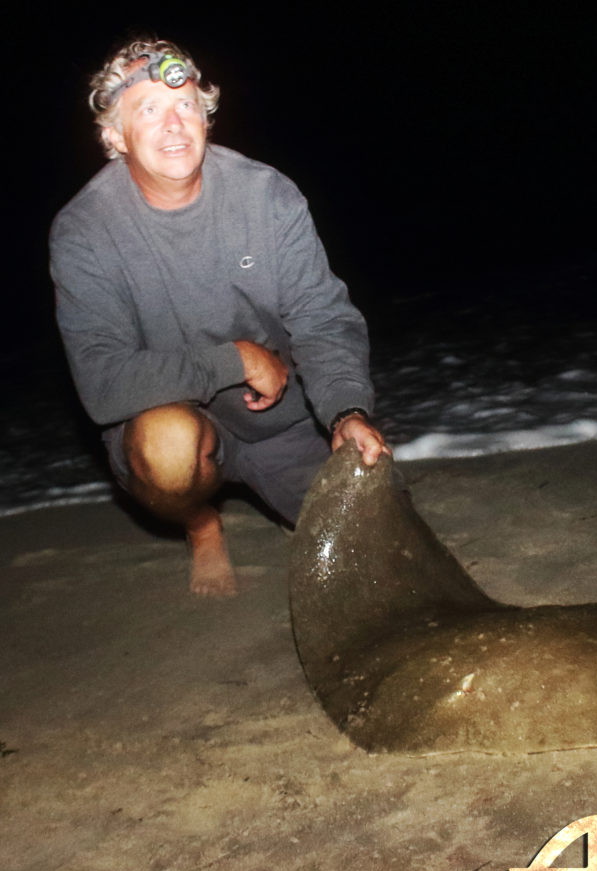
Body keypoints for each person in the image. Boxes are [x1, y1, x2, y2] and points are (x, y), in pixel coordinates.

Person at [49, 37, 390, 597]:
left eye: (185, 105)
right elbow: (103, 385)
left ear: (206, 117)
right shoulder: (84, 231)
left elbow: (321, 315)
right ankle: (201, 523)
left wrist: (345, 410)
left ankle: (291, 495)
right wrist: (234, 359)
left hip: (283, 420)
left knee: (379, 551)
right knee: (166, 446)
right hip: (175, 423)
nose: (174, 125)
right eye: (149, 110)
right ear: (115, 137)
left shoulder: (268, 195)